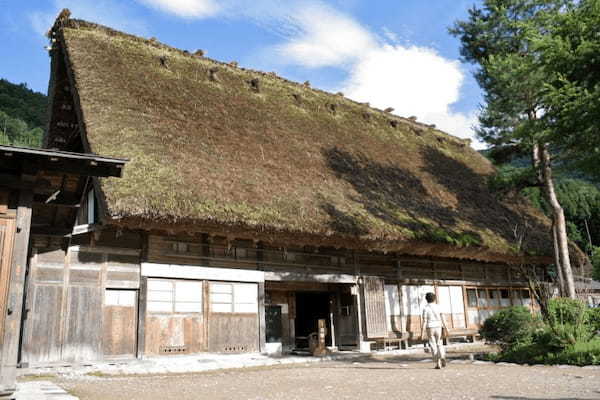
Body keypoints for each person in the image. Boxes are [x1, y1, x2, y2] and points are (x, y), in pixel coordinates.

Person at [420, 292, 447, 369]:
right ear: (434, 299)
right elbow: (443, 318)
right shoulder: (438, 307)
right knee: (439, 343)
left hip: (430, 327)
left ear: (426, 300)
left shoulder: (425, 308)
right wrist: (446, 328)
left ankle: (438, 363)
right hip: (438, 326)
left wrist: (422, 332)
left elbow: (424, 321)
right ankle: (442, 355)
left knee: (433, 345)